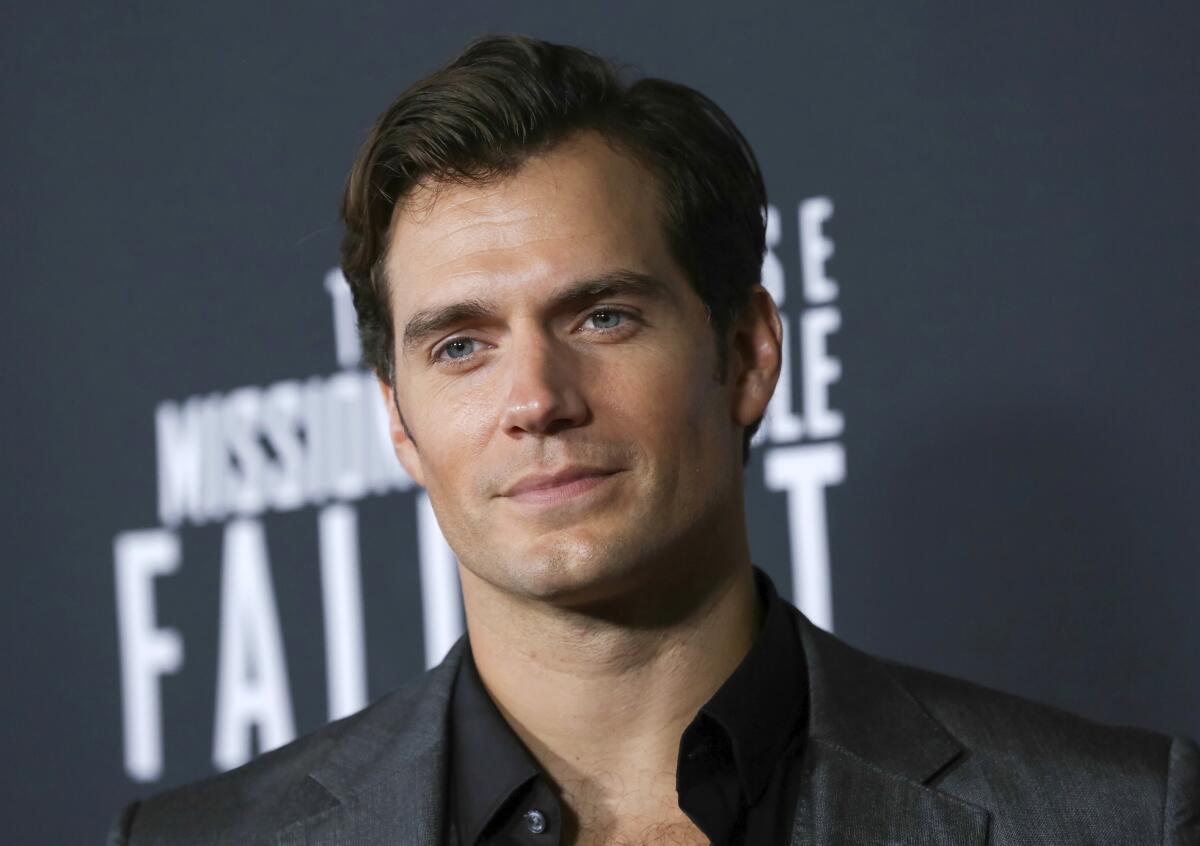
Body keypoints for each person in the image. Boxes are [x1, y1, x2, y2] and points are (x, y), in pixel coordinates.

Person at [110, 34, 1197, 846]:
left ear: (747, 354)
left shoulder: (1113, 819)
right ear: (395, 418)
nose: (536, 398)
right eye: (459, 347)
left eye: (602, 318)